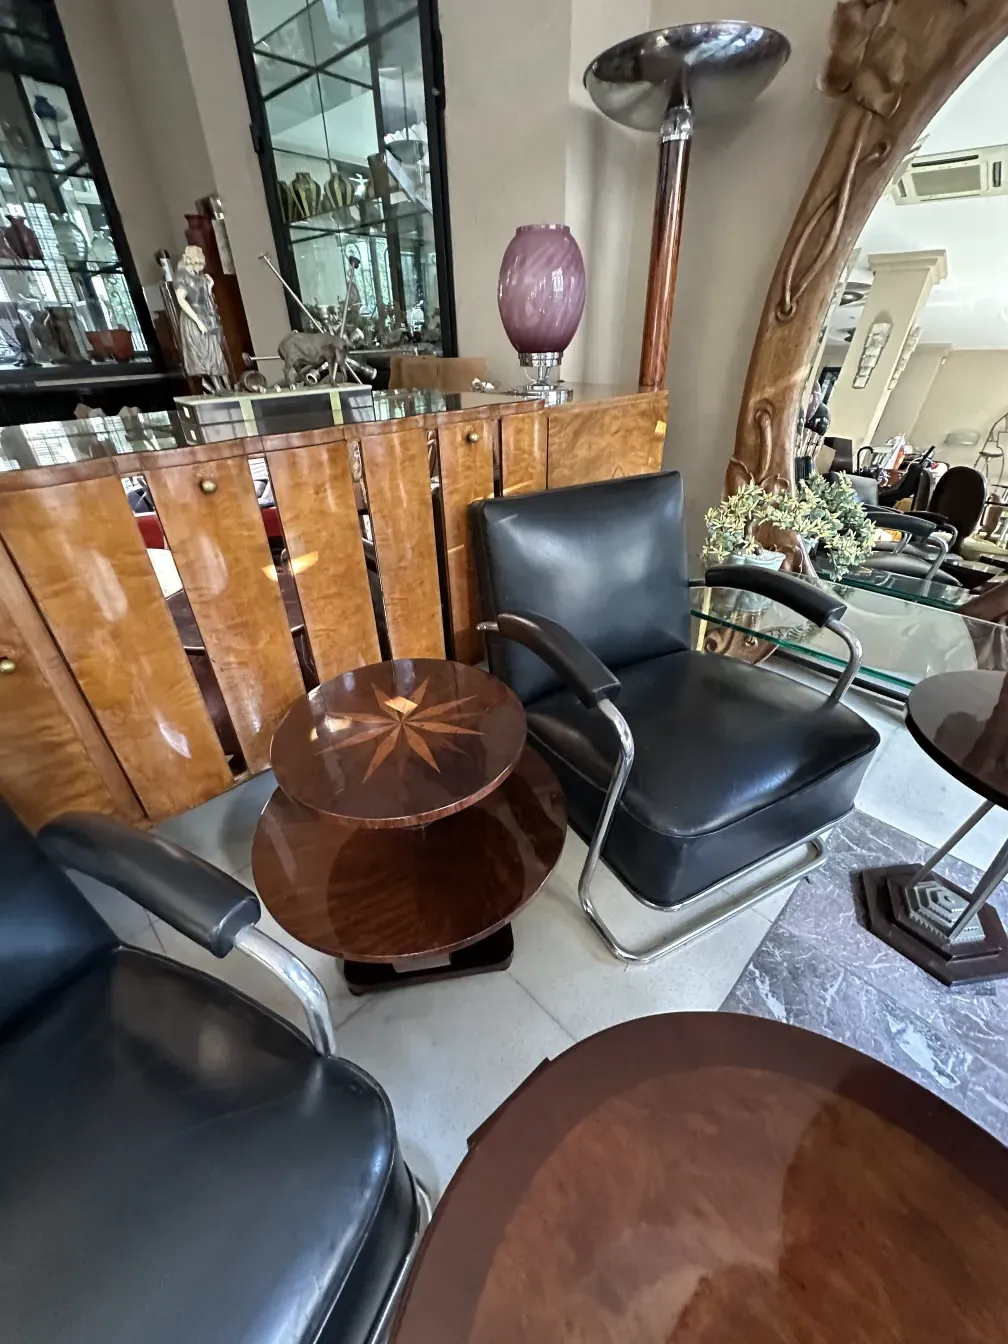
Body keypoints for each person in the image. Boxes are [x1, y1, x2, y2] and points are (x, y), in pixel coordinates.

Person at [174, 245, 230, 392]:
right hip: (194, 319)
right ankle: (218, 387)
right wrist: (197, 321)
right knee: (205, 353)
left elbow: (205, 298)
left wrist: (210, 286)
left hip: (206, 316)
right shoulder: (182, 276)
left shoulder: (200, 276)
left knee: (216, 351)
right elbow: (181, 300)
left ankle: (227, 386)